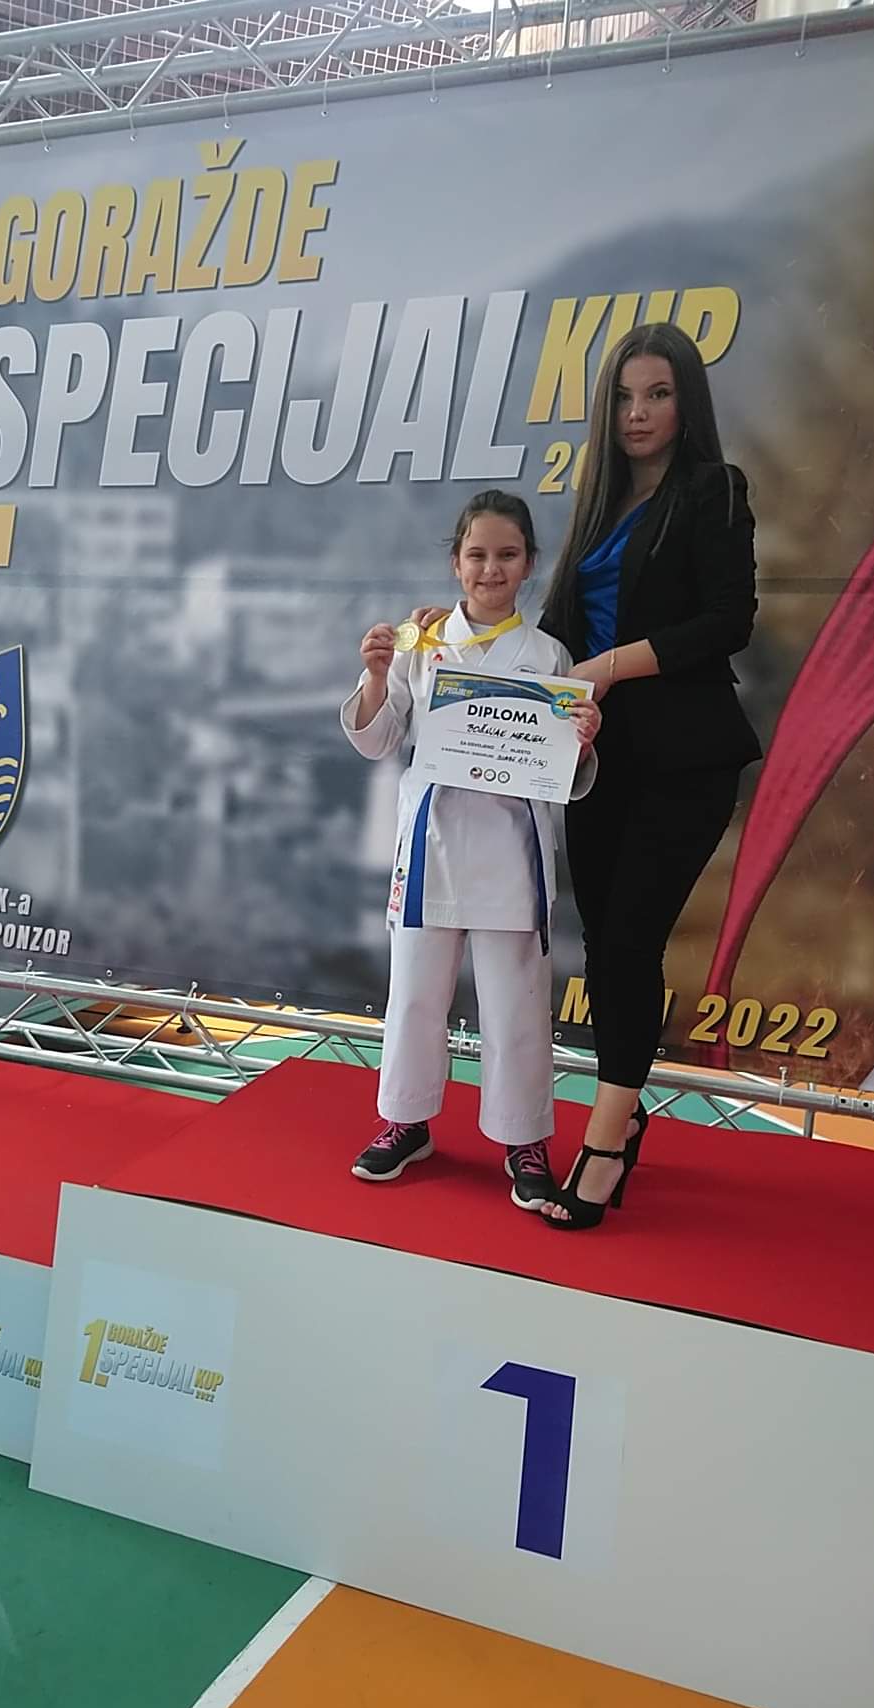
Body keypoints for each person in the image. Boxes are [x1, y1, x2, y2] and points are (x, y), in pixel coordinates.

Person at [412, 324, 762, 1229]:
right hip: (595, 759)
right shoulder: (599, 505)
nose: (638, 413)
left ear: (687, 403)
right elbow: (554, 637)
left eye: (658, 394)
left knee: (630, 942)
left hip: (684, 758)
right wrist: (457, 630)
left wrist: (607, 669)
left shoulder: (715, 491)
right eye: (624, 397)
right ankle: (624, 1111)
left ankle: (605, 1142)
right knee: (605, 946)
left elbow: (728, 622)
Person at [341, 489, 601, 1206]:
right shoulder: (420, 643)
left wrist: (581, 741)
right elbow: (378, 738)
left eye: (507, 555)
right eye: (477, 555)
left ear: (530, 564)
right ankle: (406, 1121)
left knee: (517, 1002)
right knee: (414, 994)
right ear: (456, 563)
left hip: (512, 850)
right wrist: (375, 673)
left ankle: (524, 1138)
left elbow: (560, 772)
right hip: (431, 845)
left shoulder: (548, 654)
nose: (492, 569)